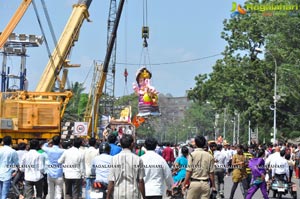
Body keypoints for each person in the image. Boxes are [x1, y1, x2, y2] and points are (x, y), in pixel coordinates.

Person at [106, 134, 146, 199]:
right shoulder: (138, 159)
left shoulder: (114, 159)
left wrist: (107, 196)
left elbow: (111, 181)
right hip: (133, 194)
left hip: (118, 194)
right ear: (132, 144)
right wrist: (144, 197)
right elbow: (141, 181)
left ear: (121, 144)